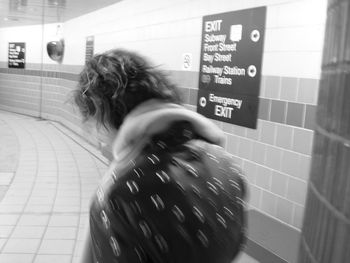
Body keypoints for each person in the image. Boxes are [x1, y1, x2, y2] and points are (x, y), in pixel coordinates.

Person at [73, 49, 247, 263]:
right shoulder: (228, 165)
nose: (97, 137)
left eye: (91, 122)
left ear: (102, 112)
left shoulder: (120, 194)